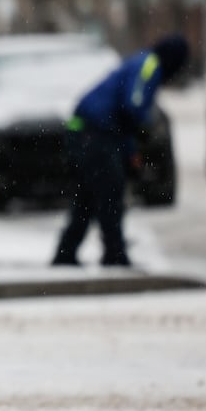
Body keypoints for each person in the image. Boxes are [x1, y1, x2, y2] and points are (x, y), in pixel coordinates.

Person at [52, 34, 189, 268]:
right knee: (110, 194)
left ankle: (67, 253)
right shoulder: (150, 66)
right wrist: (143, 131)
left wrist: (129, 151)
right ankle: (114, 254)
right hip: (95, 133)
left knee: (88, 196)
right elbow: (131, 107)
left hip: (87, 130)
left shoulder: (143, 61)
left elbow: (123, 121)